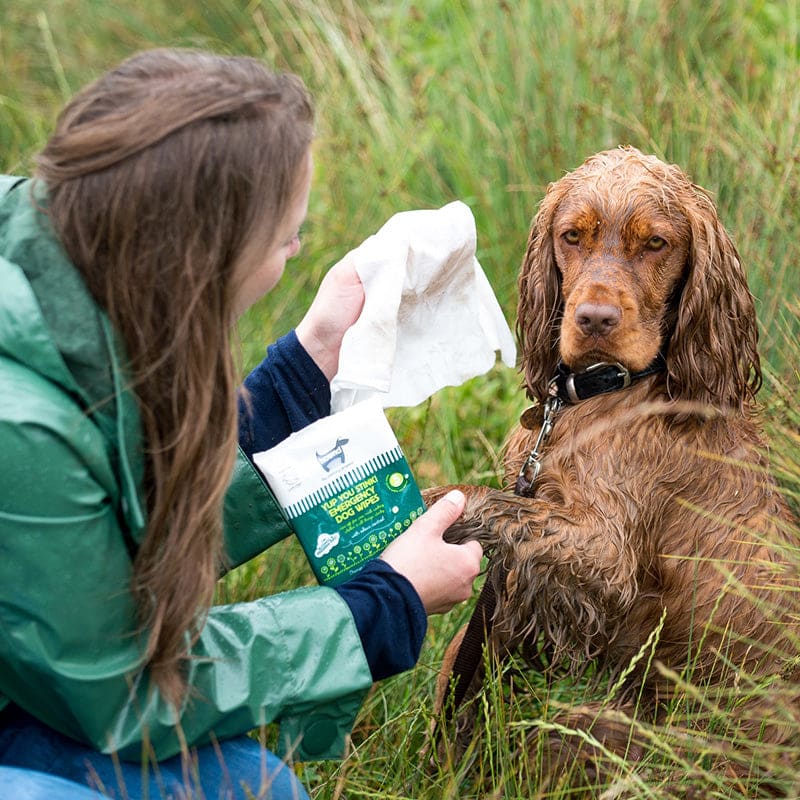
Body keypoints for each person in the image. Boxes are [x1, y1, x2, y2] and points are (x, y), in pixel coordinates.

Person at [0, 48, 483, 799]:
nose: (297, 248)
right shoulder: (20, 427)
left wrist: (304, 371)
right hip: (72, 691)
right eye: (286, 234)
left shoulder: (72, 268)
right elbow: (126, 691)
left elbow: (96, 542)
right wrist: (381, 605)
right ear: (199, 259)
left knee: (252, 785)